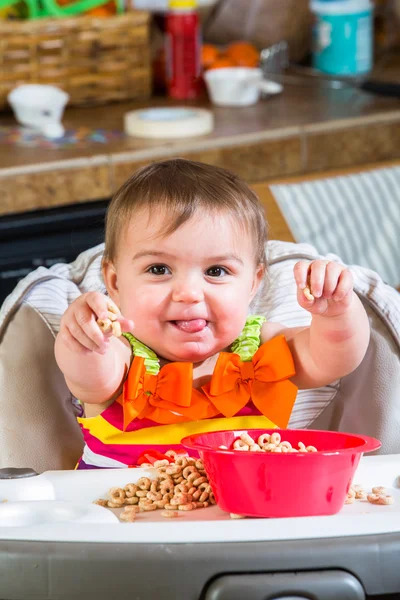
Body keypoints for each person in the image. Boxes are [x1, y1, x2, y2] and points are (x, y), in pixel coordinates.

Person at [55, 159, 370, 469]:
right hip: (119, 516)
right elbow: (89, 375)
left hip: (245, 516)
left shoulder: (260, 350)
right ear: (115, 282)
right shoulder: (122, 355)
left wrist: (337, 312)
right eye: (159, 269)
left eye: (216, 270)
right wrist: (84, 337)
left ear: (253, 283)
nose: (189, 293)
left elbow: (333, 359)